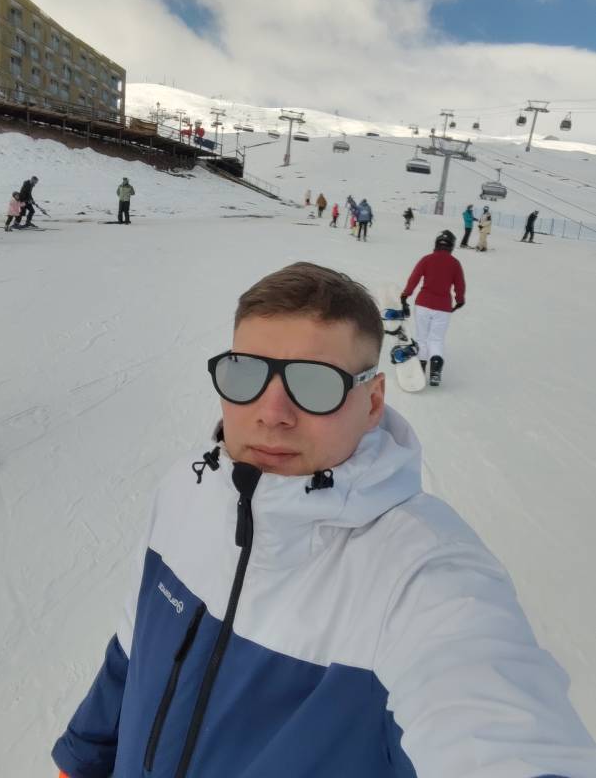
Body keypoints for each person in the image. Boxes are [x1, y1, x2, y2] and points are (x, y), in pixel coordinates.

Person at [52, 261, 596, 778]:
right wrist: (82, 757)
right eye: (245, 374)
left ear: (373, 400)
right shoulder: (184, 491)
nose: (272, 414)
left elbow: (494, 725)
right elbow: (133, 652)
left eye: (314, 384)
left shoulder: (421, 577)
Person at [400, 229, 465, 385]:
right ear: (451, 246)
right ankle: (435, 371)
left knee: (422, 338)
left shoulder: (427, 259)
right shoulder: (455, 263)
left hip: (423, 304)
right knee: (436, 339)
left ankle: (420, 369)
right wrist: (459, 300)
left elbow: (414, 278)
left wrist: (405, 295)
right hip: (443, 307)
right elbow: (460, 285)